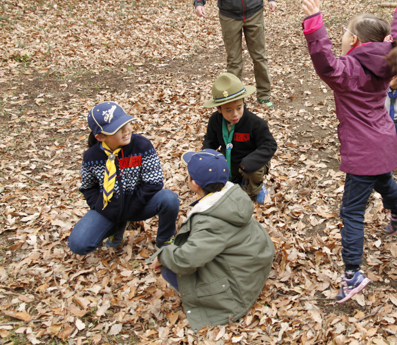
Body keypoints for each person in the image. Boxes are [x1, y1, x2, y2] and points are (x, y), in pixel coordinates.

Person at [301, 0, 397, 303]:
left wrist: (314, 25)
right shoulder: (391, 58)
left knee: (351, 211)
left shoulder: (349, 69)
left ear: (354, 41)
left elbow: (325, 62)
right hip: (384, 142)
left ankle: (352, 276)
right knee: (384, 180)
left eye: (344, 32)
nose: (341, 37)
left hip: (363, 150)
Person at [150, 149, 274, 330]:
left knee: (169, 269)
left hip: (238, 287)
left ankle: (203, 298)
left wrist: (162, 255)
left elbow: (186, 259)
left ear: (194, 184)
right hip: (253, 261)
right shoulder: (231, 195)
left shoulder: (210, 220)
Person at [69, 102, 179, 255]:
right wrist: (102, 207)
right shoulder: (91, 157)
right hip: (110, 209)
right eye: (116, 129)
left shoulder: (142, 146)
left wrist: (128, 208)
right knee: (78, 244)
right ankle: (115, 228)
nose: (126, 130)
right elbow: (88, 186)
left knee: (169, 199)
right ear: (100, 137)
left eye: (126, 123)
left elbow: (154, 182)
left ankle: (165, 240)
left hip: (139, 204)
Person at [194, 0, 277, 108]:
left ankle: (264, 95)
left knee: (259, 56)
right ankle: (236, 99)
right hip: (229, 14)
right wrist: (199, 1)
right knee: (234, 61)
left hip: (254, 10)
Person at [202, 73, 277, 204]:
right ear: (219, 109)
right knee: (212, 172)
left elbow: (269, 145)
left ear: (243, 102)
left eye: (239, 108)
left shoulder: (255, 123)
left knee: (252, 173)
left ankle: (257, 187)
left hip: (252, 161)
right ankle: (234, 180)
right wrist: (204, 156)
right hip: (229, 159)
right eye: (228, 110)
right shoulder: (215, 120)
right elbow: (210, 141)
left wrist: (250, 162)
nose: (235, 114)